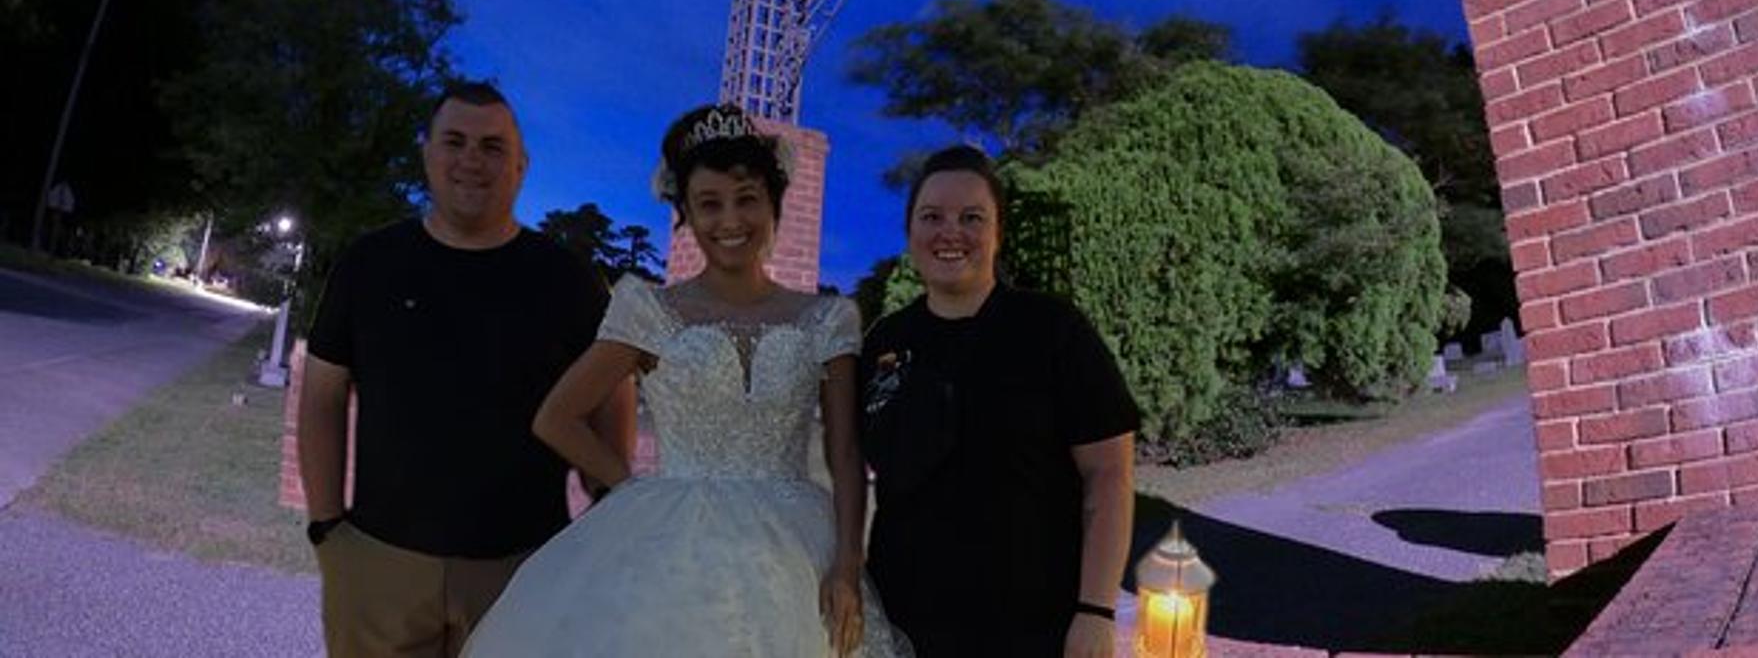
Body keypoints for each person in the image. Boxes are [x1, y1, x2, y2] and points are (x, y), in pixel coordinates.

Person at [461, 104, 910, 657]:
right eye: (709, 204)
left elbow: (843, 454)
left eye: (747, 199)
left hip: (794, 551)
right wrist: (632, 490)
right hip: (670, 548)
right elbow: (556, 418)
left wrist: (846, 563)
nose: (730, 220)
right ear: (687, 214)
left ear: (774, 204)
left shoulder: (826, 319)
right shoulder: (650, 311)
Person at [299, 81, 634, 658]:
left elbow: (613, 397)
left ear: (522, 166)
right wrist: (329, 529)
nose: (472, 160)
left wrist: (605, 504)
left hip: (522, 572)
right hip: (380, 566)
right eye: (455, 141)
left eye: (493, 147)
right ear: (427, 154)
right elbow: (322, 398)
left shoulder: (569, 281)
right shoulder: (369, 264)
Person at [860, 146, 1139, 658]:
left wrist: (1096, 611)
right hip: (900, 621)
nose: (950, 232)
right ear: (911, 233)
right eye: (932, 216)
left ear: (997, 232)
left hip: (1029, 624)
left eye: (972, 217)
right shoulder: (885, 340)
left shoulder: (1053, 330)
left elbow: (1110, 476)